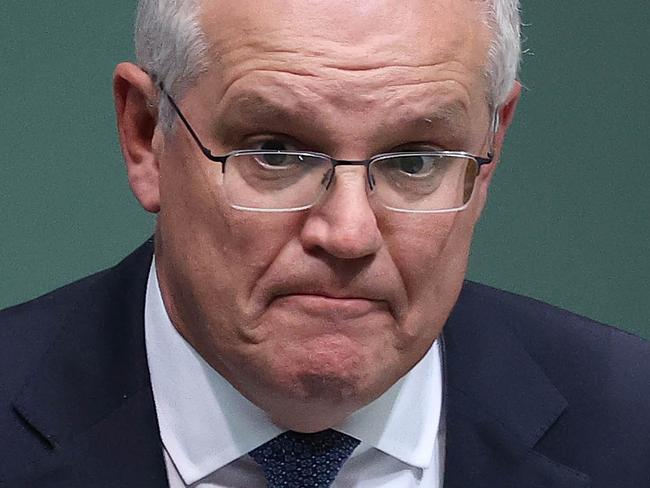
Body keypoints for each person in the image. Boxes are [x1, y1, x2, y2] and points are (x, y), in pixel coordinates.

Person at [1, 0, 649, 487]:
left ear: (488, 155)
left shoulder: (632, 428)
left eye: (416, 160)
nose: (348, 234)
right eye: (276, 153)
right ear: (146, 136)